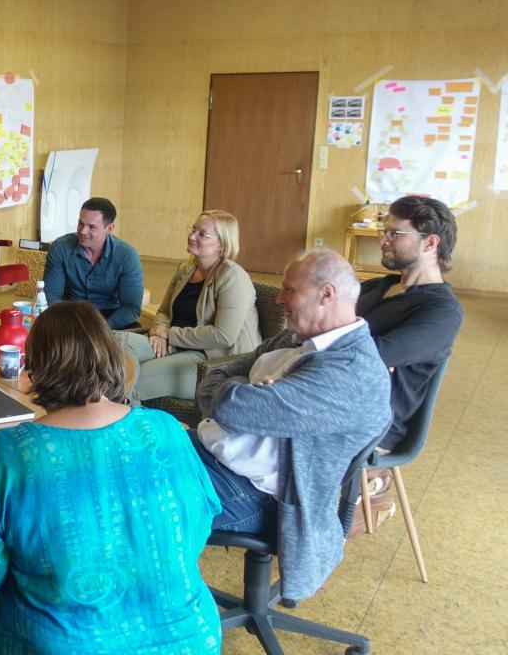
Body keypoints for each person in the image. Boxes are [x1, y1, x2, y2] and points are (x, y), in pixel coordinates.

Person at [0, 301, 221, 655]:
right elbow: (198, 528)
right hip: (191, 639)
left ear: (32, 370)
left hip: (63, 645)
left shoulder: (8, 456)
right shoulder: (167, 428)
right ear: (112, 358)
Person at [192, 249, 391, 602]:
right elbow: (216, 379)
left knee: (130, 497)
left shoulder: (351, 372)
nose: (280, 300)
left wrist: (239, 401)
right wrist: (246, 399)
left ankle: (157, 612)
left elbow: (231, 406)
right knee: (126, 450)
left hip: (255, 495)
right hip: (218, 455)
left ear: (327, 294)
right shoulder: (295, 338)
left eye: (289, 290)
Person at [352, 196, 463, 533]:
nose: (383, 240)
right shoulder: (376, 286)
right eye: (384, 232)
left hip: (374, 424)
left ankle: (373, 486)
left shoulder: (442, 312)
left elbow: (366, 356)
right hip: (334, 395)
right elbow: (319, 333)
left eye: (394, 234)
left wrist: (347, 349)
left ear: (430, 243)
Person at [117, 210, 260, 401]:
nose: (192, 236)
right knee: (112, 343)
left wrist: (169, 334)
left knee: (132, 378)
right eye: (193, 229)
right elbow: (165, 310)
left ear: (222, 244)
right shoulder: (186, 268)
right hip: (175, 344)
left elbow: (223, 336)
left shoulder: (233, 277)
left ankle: (130, 423)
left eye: (202, 234)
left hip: (213, 360)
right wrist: (160, 327)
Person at [42, 197, 144, 328]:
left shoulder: (127, 256)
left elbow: (131, 307)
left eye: (92, 227)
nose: (83, 231)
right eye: (80, 223)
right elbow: (51, 294)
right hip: (71, 316)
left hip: (109, 318)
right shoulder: (60, 247)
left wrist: (102, 329)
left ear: (109, 228)